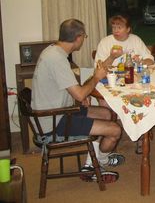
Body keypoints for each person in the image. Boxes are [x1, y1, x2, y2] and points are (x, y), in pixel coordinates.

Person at [31, 19, 124, 182]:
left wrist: (110, 59)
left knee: (106, 114)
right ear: (79, 37)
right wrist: (94, 80)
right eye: (84, 36)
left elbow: (73, 88)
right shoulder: (57, 59)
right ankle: (97, 164)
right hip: (53, 121)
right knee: (115, 130)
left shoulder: (55, 51)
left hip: (59, 111)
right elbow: (80, 94)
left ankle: (94, 162)